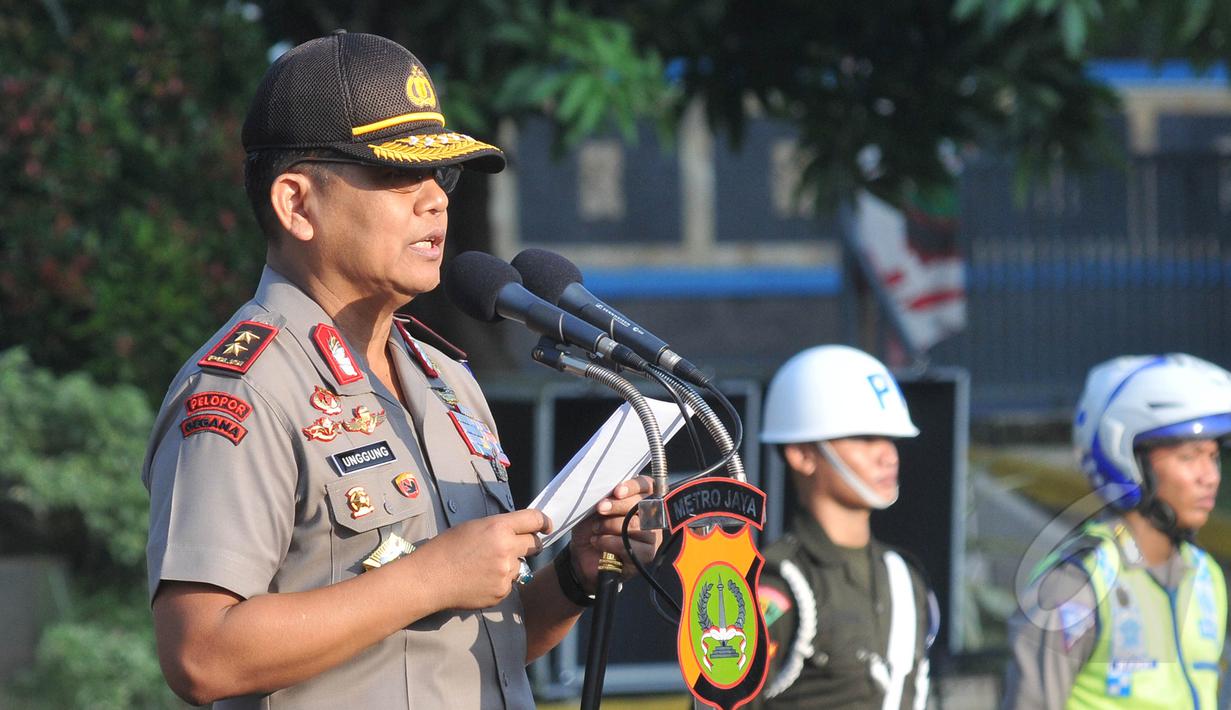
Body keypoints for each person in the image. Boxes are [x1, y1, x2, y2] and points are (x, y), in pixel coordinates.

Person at [141, 31, 656, 709]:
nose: (435, 199)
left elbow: (462, 651)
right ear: (296, 203)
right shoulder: (247, 387)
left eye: (438, 174)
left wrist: (573, 578)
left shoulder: (446, 380)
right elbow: (201, 655)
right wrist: (428, 579)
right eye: (392, 175)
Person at [1001, 353, 1231, 709]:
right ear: (1129, 460)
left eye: (1213, 456)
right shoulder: (1074, 586)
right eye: (1189, 457)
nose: (1210, 476)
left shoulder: (1206, 577)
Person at [753, 345, 937, 709]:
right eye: (865, 437)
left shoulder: (903, 574)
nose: (888, 455)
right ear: (803, 455)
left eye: (890, 438)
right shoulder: (776, 581)